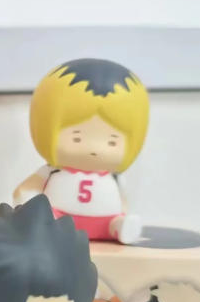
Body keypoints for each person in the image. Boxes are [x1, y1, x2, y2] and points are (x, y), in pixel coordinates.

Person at [14, 58, 149, 243]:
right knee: (47, 219)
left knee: (117, 222)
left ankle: (120, 227)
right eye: (76, 138)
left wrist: (123, 211)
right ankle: (46, 224)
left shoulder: (115, 178)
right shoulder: (52, 172)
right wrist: (28, 203)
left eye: (112, 142)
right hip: (60, 219)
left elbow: (122, 200)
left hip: (105, 221)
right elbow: (27, 188)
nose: (94, 149)